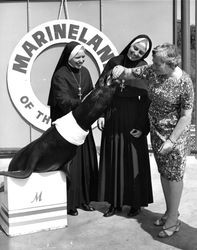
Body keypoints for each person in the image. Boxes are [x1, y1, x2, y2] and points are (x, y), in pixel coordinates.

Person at [112, 43, 194, 237]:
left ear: (170, 63)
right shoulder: (153, 71)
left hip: (175, 136)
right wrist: (118, 69)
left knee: (174, 176)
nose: (152, 66)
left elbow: (186, 116)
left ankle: (173, 220)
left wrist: (172, 141)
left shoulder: (184, 82)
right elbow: (130, 73)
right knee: (164, 173)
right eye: (153, 62)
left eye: (157, 63)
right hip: (156, 132)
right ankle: (169, 212)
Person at [97, 34, 153, 218]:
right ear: (130, 45)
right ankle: (114, 203)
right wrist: (102, 114)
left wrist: (142, 126)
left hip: (134, 117)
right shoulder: (115, 61)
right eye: (135, 47)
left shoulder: (143, 68)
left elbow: (147, 98)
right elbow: (102, 89)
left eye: (141, 51)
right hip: (113, 114)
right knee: (113, 158)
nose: (136, 53)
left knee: (134, 160)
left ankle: (135, 203)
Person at [47, 41, 98, 216]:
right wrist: (82, 103)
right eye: (78, 57)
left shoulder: (85, 72)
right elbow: (61, 100)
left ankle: (85, 199)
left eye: (83, 56)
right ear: (69, 57)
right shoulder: (60, 75)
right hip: (67, 126)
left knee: (86, 162)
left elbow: (92, 92)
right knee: (71, 164)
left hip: (83, 123)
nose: (81, 60)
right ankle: (69, 203)